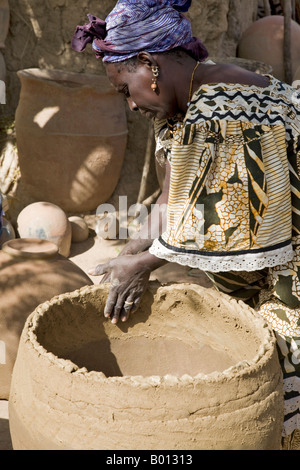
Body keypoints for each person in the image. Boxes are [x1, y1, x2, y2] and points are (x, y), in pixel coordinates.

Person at [72, 0, 300, 448]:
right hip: (268, 273)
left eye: (125, 90)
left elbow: (226, 220)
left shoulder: (226, 111)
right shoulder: (190, 100)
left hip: (291, 278)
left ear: (147, 63)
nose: (132, 105)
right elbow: (175, 195)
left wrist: (145, 266)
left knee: (278, 392)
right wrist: (133, 250)